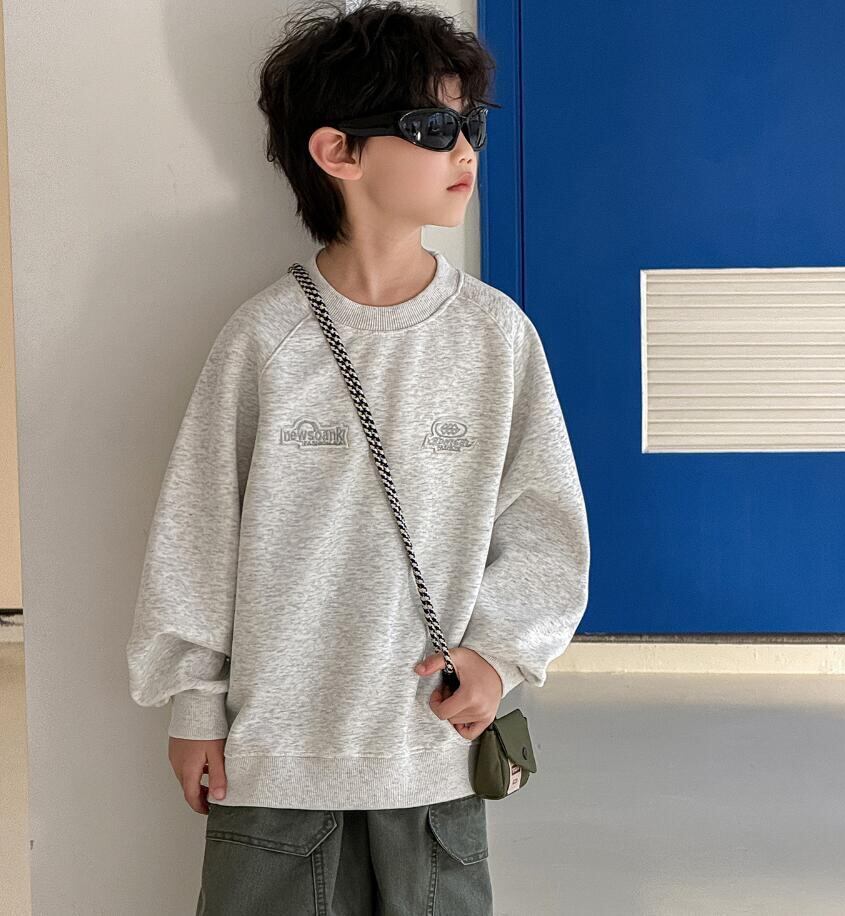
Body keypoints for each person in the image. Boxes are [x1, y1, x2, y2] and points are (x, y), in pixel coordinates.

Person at [125, 1, 591, 913]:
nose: (466, 148)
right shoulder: (265, 340)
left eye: (472, 123)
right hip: (276, 760)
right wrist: (193, 701)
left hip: (431, 756)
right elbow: (198, 532)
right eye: (433, 127)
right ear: (337, 151)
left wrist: (499, 657)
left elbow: (545, 527)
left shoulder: (496, 337)